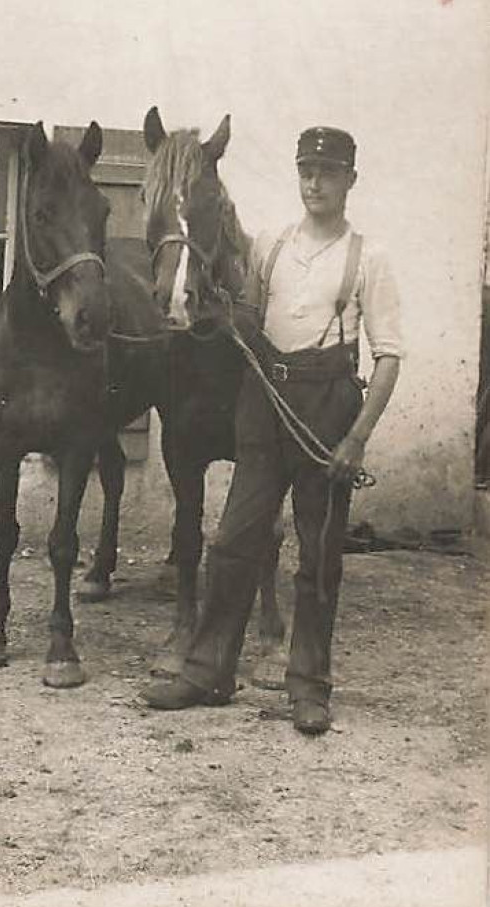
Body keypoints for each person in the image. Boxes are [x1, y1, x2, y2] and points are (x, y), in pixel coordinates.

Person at [142, 126, 403, 734]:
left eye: (329, 173)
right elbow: (251, 318)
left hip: (327, 403)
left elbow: (388, 357)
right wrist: (211, 312)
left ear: (350, 182)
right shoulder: (273, 247)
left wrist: (357, 436)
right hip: (264, 397)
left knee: (318, 556)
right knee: (234, 540)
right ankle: (207, 669)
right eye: (307, 171)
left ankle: (309, 687)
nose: (316, 183)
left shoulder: (370, 258)